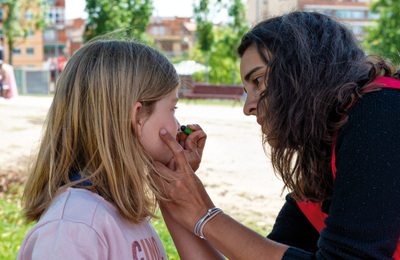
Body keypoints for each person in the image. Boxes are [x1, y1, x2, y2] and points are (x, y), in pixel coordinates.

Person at [151, 11, 400, 259]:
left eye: (258, 81)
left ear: (304, 69)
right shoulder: (321, 168)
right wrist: (177, 191)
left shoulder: (381, 110)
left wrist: (205, 213)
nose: (247, 107)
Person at [17, 40, 208, 259]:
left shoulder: (113, 212)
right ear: (137, 117)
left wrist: (173, 185)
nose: (178, 126)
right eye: (172, 108)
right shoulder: (75, 227)